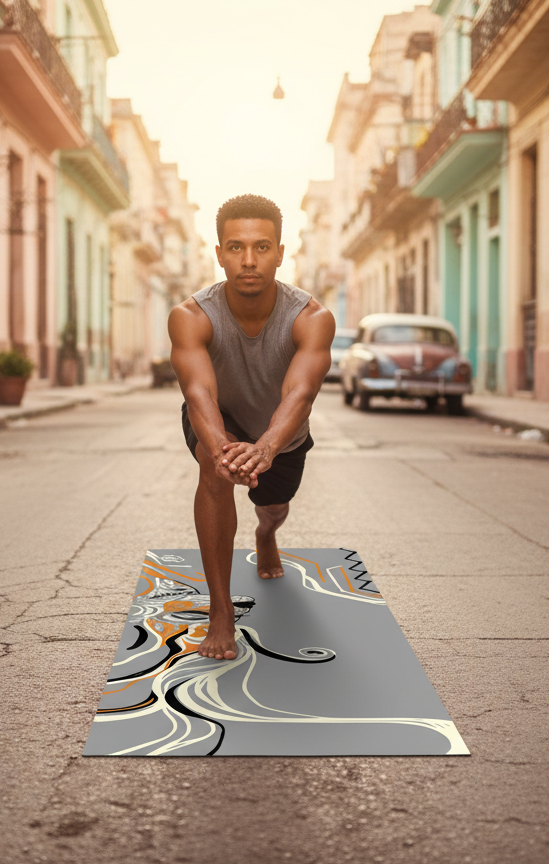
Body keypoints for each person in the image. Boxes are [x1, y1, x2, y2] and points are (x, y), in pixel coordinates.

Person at [168, 194, 335, 661]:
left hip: (282, 431)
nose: (248, 260)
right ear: (218, 253)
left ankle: (266, 534)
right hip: (220, 419)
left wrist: (265, 448)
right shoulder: (190, 316)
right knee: (212, 469)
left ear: (281, 253)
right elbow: (198, 394)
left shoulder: (312, 318)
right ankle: (220, 612)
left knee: (274, 506)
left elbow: (299, 395)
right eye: (235, 247)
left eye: (262, 247)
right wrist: (223, 450)